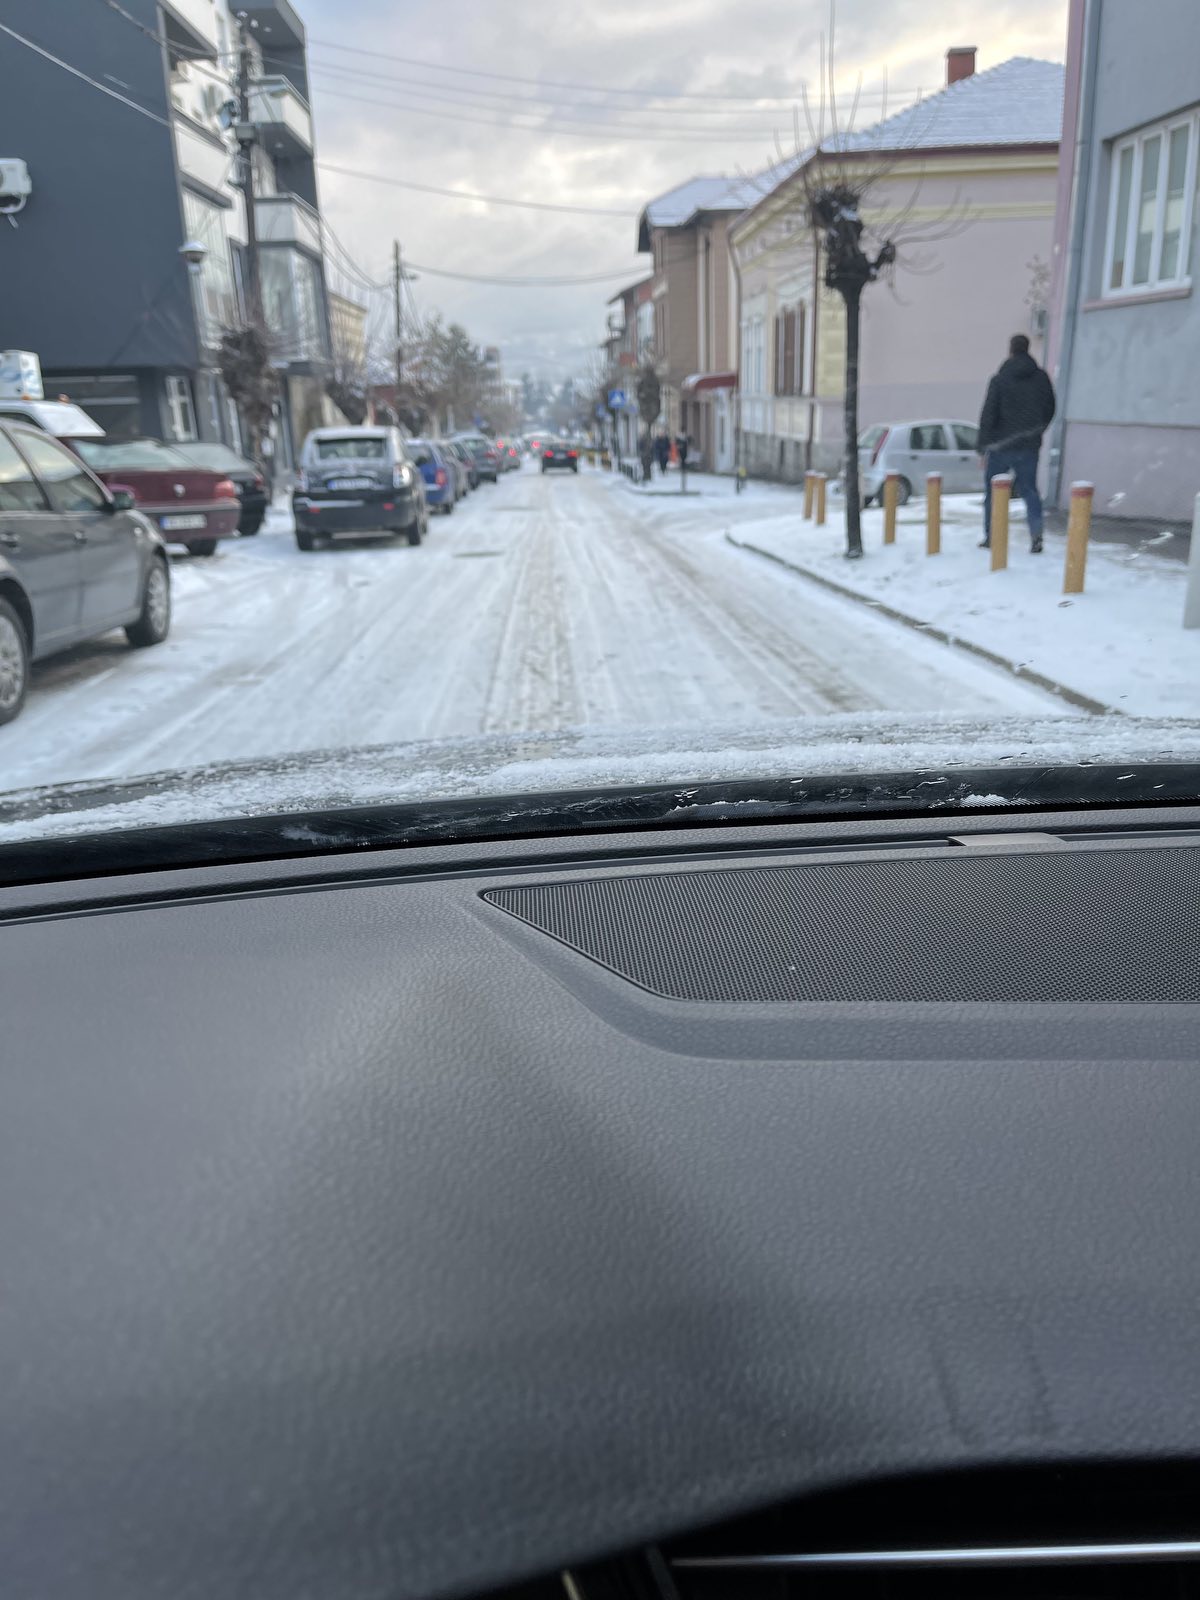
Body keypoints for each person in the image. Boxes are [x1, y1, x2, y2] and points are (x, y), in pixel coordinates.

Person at [977, 333, 1056, 553]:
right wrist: (1037, 431)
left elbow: (988, 413)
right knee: (1029, 490)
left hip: (999, 446)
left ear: (1010, 350)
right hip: (1028, 446)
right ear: (1028, 348)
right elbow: (1050, 407)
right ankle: (1036, 535)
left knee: (993, 493)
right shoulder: (1041, 378)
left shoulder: (1000, 379)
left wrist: (982, 447)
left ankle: (991, 536)